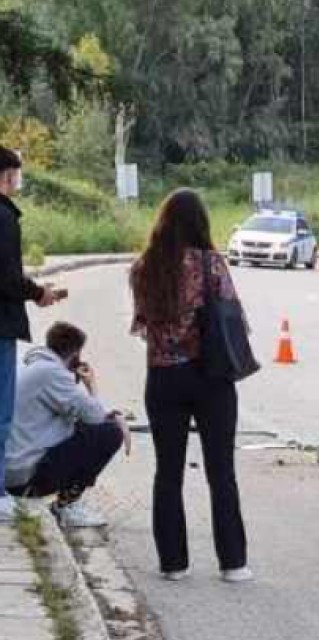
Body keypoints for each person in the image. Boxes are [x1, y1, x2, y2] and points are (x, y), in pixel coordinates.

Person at [130, 189, 252, 583]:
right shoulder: (210, 263)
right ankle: (233, 563)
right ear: (200, 222)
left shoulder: (144, 266)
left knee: (168, 473)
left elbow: (141, 324)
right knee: (221, 471)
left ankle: (173, 564)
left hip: (163, 378)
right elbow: (234, 316)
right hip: (210, 376)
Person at [4, 323, 130, 527]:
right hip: (25, 478)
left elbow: (73, 414)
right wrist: (91, 386)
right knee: (110, 433)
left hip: (10, 472)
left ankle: (64, 505)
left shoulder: (31, 366)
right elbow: (96, 416)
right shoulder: (52, 373)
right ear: (75, 353)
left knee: (87, 429)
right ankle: (66, 507)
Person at [0, 146, 60, 522]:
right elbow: (6, 277)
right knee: (0, 413)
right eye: (15, 174)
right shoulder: (4, 217)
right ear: (6, 175)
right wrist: (38, 292)